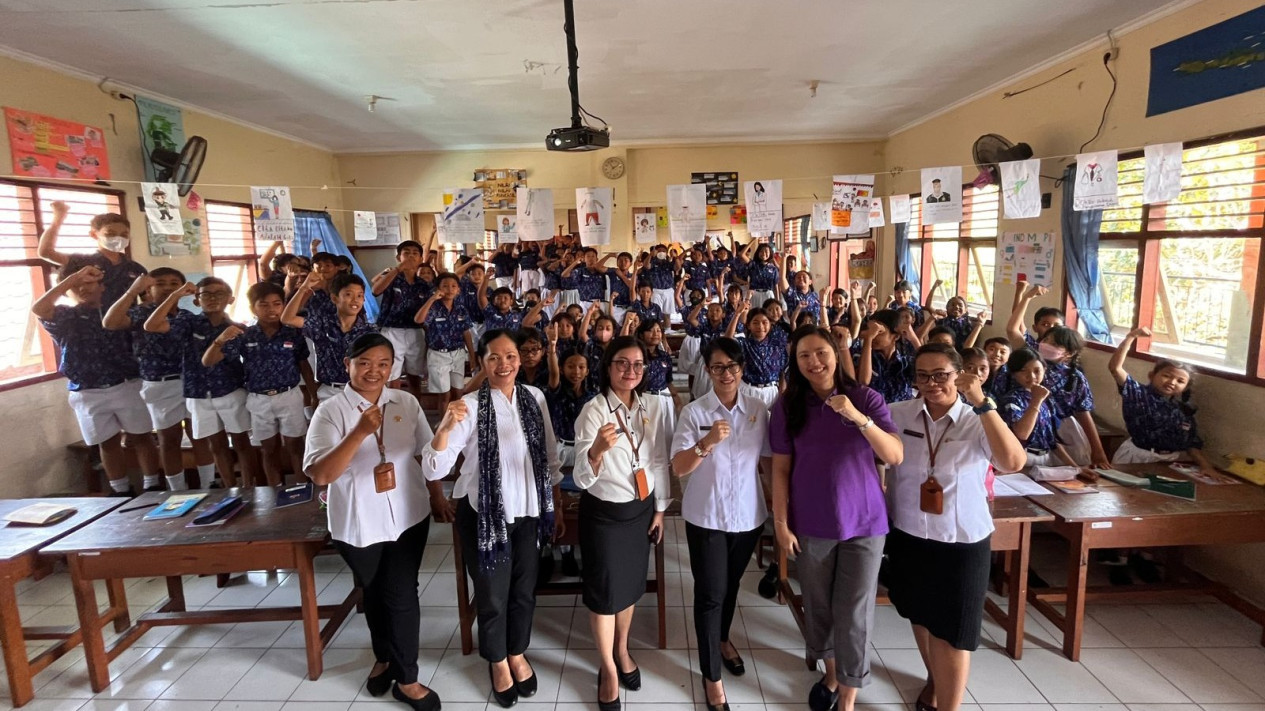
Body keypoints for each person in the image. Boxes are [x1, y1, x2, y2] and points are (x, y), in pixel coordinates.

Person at [422, 329, 563, 708]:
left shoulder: (535, 398)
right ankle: (498, 661)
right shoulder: (468, 405)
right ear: (481, 363)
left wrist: (557, 502)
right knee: (493, 594)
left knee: (523, 590)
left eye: (511, 356)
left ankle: (517, 652)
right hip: (486, 516)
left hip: (530, 511)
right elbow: (434, 466)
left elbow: (549, 457)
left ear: (520, 359)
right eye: (494, 358)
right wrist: (446, 427)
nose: (504, 365)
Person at [304, 334, 444, 711]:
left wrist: (438, 496)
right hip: (358, 521)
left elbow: (427, 456)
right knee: (375, 591)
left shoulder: (406, 402)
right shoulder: (330, 411)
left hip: (409, 515)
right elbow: (321, 475)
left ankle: (408, 680)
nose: (375, 371)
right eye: (365, 362)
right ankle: (383, 656)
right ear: (348, 363)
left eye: (384, 363)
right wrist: (360, 432)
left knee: (400, 593)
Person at [885, 344, 1026, 711]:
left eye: (941, 375)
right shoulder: (898, 414)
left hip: (961, 541)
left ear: (959, 375)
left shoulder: (977, 418)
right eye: (923, 376)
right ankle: (935, 678)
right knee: (919, 614)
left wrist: (980, 400)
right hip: (910, 535)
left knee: (954, 633)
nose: (932, 384)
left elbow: (1012, 461)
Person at [770, 326, 903, 711]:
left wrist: (859, 418)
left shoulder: (865, 397)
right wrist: (780, 523)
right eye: (804, 356)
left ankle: (848, 694)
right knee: (820, 605)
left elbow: (893, 456)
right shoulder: (788, 407)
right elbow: (779, 469)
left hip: (864, 521)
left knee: (855, 610)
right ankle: (831, 673)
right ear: (795, 364)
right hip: (811, 521)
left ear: (836, 351)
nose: (815, 362)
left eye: (820, 352)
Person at [670, 337, 771, 711]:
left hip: (747, 517)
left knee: (729, 589)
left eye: (732, 366)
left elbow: (771, 462)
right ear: (707, 370)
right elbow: (678, 467)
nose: (726, 374)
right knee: (710, 594)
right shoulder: (695, 413)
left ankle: (724, 640)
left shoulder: (759, 409)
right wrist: (706, 442)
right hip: (706, 517)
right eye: (717, 367)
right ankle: (712, 677)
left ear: (741, 368)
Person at [573, 335, 672, 711]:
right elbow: (582, 479)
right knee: (603, 593)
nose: (630, 371)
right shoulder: (594, 410)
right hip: (604, 514)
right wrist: (597, 450)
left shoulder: (652, 406)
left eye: (637, 365)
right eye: (621, 364)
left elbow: (659, 460)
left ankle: (623, 649)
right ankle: (608, 668)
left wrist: (661, 509)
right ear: (608, 367)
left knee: (630, 587)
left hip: (641, 511)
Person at [34, 264, 160, 495]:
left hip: (126, 383)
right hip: (87, 389)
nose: (83, 289)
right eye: (77, 286)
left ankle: (153, 484)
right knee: (107, 442)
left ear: (102, 286)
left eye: (90, 283)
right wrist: (71, 278)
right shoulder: (65, 315)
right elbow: (39, 308)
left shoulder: (119, 312)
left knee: (141, 436)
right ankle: (120, 490)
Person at [146, 277, 259, 488]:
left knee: (242, 442)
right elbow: (151, 325)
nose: (213, 298)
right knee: (216, 445)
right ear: (197, 300)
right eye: (206, 294)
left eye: (219, 294)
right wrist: (175, 295)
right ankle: (229, 488)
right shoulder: (188, 322)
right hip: (198, 393)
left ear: (230, 299)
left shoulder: (237, 329)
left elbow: (211, 360)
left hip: (230, 391)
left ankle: (247, 487)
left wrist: (221, 339)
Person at [103, 268, 207, 491]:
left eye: (174, 283)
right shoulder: (141, 314)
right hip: (159, 384)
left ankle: (209, 484)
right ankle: (177, 490)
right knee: (169, 439)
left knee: (199, 434)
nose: (169, 287)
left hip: (191, 382)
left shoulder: (186, 317)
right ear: (148, 289)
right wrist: (133, 291)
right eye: (161, 283)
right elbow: (110, 322)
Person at [203, 282, 314, 487]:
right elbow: (208, 361)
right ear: (253, 307)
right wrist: (221, 340)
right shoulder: (245, 334)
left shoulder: (292, 333)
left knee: (295, 446)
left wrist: (313, 395)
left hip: (289, 395)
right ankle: (275, 490)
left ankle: (302, 488)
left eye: (277, 304)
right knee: (268, 448)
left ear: (283, 305)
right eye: (264, 305)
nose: (271, 309)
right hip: (258, 398)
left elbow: (303, 364)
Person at [1108, 327, 1215, 471]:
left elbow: (1191, 444)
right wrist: (1131, 337)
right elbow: (1115, 368)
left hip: (1170, 462)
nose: (1172, 382)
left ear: (1186, 387)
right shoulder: (1139, 394)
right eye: (1167, 376)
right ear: (1152, 376)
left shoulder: (1184, 411)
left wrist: (1207, 467)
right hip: (1136, 457)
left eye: (1180, 381)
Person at [283, 273, 378, 403]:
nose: (355, 300)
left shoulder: (370, 331)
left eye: (360, 295)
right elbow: (287, 318)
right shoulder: (322, 324)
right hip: (329, 392)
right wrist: (304, 288)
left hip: (361, 390)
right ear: (334, 298)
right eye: (349, 294)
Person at [37, 200, 148, 308]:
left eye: (124, 235)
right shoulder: (81, 263)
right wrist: (58, 218)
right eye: (110, 234)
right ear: (94, 235)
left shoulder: (136, 268)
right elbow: (46, 252)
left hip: (125, 323)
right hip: (89, 323)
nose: (118, 238)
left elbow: (148, 301)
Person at [371, 240, 432, 397]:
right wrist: (398, 269)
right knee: (393, 373)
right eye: (406, 253)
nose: (411, 256)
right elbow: (375, 290)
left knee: (414, 371)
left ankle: (415, 406)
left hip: (416, 331)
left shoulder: (423, 284)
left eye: (415, 253)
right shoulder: (391, 276)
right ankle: (393, 407)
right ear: (399, 257)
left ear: (420, 259)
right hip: (391, 330)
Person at [997, 348, 1074, 468]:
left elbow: (1051, 440)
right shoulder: (1012, 399)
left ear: (1045, 370)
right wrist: (1036, 401)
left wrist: (1074, 467)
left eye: (1037, 371)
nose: (1031, 376)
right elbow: (1021, 434)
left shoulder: (1044, 397)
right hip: (1023, 457)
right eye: (1024, 371)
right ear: (1013, 374)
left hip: (1046, 458)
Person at [413, 272, 476, 411]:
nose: (450, 289)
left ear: (458, 290)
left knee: (458, 392)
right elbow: (418, 320)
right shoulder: (433, 307)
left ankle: (458, 426)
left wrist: (472, 355)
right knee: (444, 395)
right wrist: (432, 299)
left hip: (458, 353)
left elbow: (466, 332)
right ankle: (443, 425)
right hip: (438, 355)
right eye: (445, 286)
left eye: (454, 286)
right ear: (438, 289)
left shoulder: (461, 309)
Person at [726, 302, 786, 409]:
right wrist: (737, 314)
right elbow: (727, 340)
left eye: (764, 322)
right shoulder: (744, 344)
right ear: (748, 325)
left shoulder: (778, 345)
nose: (760, 326)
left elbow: (782, 373)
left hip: (772, 392)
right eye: (755, 322)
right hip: (749, 390)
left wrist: (781, 395)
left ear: (770, 324)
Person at [856, 310, 917, 403]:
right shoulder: (862, 356)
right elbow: (864, 381)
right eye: (871, 331)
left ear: (896, 336)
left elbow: (929, 372)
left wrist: (914, 339)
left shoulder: (905, 363)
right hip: (871, 415)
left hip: (901, 415)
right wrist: (868, 338)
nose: (873, 336)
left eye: (879, 332)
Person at [1005, 281, 1063, 351]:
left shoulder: (1066, 350)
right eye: (1046, 324)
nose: (1051, 328)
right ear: (1035, 328)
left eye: (1057, 326)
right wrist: (1022, 294)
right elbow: (1017, 321)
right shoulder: (1032, 347)